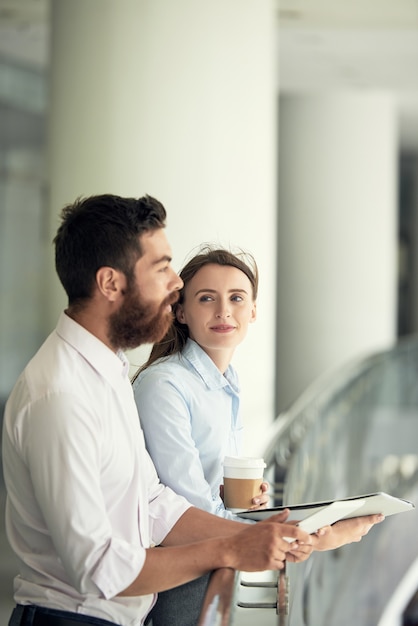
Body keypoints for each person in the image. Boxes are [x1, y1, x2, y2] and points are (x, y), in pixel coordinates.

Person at [2, 193, 323, 626]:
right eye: (161, 267)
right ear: (111, 284)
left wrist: (262, 535)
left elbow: (155, 504)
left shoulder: (107, 370)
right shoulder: (61, 397)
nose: (176, 283)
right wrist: (231, 548)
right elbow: (100, 568)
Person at [132, 245, 384, 626]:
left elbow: (214, 499)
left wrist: (247, 502)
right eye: (206, 299)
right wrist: (313, 537)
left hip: (224, 566)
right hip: (186, 576)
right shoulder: (165, 385)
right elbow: (189, 515)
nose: (223, 311)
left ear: (253, 310)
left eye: (236, 298)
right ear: (180, 311)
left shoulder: (225, 384)